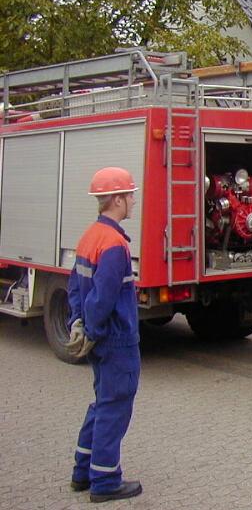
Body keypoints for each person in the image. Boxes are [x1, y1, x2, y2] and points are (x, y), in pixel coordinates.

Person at [66, 167, 143, 502]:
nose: (133, 201)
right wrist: (94, 330)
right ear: (117, 200)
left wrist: (78, 323)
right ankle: (105, 481)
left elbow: (75, 286)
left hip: (102, 338)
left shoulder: (90, 236)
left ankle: (83, 471)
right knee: (115, 407)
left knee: (102, 403)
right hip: (116, 340)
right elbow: (104, 297)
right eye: (130, 196)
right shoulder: (114, 243)